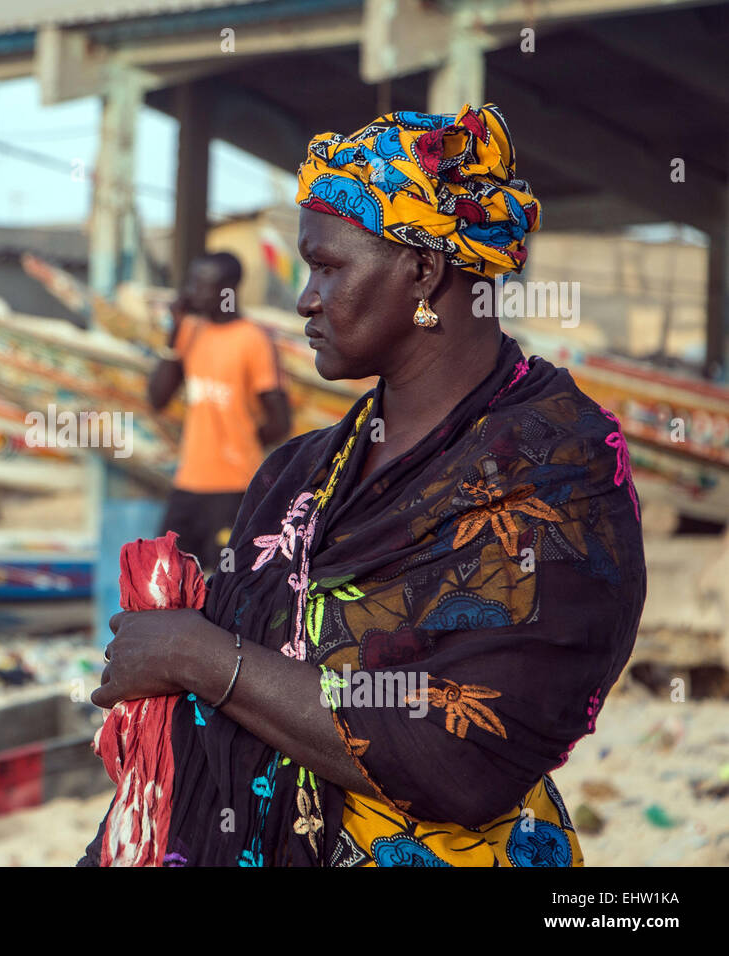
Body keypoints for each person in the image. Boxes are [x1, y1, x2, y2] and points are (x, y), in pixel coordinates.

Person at [82, 104, 645, 866]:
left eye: (328, 267)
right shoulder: (299, 475)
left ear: (423, 269)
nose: (305, 299)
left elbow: (469, 758)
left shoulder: (561, 473)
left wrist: (199, 656)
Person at [148, 252, 290, 571]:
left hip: (235, 489)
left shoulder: (252, 340)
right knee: (167, 579)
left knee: (226, 585)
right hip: (188, 485)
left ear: (228, 290)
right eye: (191, 283)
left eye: (202, 285)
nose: (191, 292)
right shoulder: (190, 332)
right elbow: (157, 398)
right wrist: (174, 333)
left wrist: (242, 438)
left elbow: (280, 421)